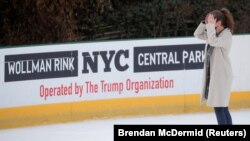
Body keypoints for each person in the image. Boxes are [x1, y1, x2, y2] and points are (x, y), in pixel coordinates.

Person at [193, 8, 235, 125]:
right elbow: (197, 34)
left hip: (222, 77)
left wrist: (210, 27)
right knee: (223, 107)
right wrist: (204, 23)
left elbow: (212, 41)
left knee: (219, 107)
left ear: (219, 23)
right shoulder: (213, 33)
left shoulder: (226, 35)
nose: (210, 22)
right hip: (216, 76)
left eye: (212, 20)